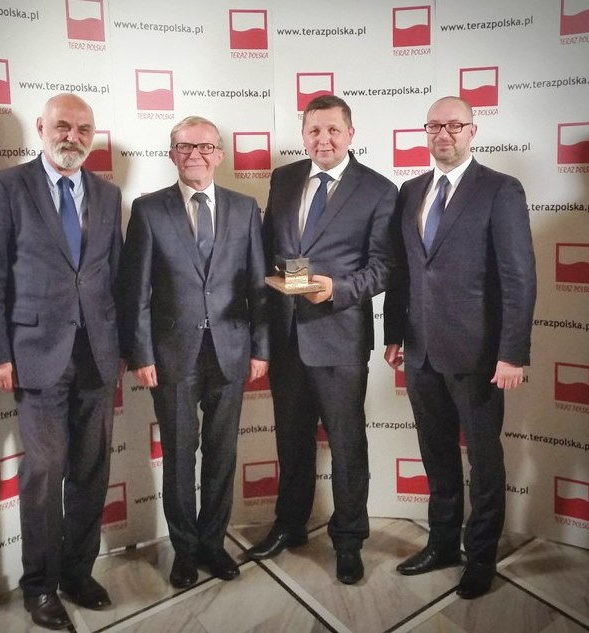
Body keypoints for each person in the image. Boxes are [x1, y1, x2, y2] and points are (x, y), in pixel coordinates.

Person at [0, 93, 123, 630]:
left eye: (83, 129)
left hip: (98, 357)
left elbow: (115, 277)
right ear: (41, 127)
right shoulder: (6, 188)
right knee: (44, 472)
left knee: (91, 471)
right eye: (62, 126)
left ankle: (79, 573)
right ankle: (39, 586)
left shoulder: (107, 194)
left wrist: (122, 349)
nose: (72, 137)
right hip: (35, 357)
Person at [383, 96, 536, 599]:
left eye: (454, 125)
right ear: (425, 132)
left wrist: (512, 353)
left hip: (480, 355)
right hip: (421, 350)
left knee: (484, 462)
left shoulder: (499, 189)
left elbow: (518, 277)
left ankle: (481, 556)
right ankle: (443, 544)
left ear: (472, 131)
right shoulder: (411, 191)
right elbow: (404, 272)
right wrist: (393, 334)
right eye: (434, 126)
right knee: (436, 454)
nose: (443, 134)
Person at [247, 95, 398, 585]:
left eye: (333, 130)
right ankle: (290, 524)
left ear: (351, 134)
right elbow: (274, 250)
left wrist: (337, 290)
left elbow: (383, 266)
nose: (324, 139)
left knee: (347, 444)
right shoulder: (284, 178)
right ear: (303, 134)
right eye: (314, 131)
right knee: (291, 440)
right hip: (287, 336)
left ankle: (349, 540)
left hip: (340, 338)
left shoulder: (379, 190)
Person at [120, 116, 269, 589]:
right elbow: (136, 292)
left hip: (231, 352)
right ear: (172, 154)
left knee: (222, 455)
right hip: (172, 356)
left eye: (205, 147)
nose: (195, 155)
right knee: (180, 457)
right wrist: (141, 354)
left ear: (219, 154)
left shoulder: (245, 208)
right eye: (184, 147)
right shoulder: (148, 210)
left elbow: (258, 285)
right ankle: (184, 550)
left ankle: (213, 544)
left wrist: (261, 349)